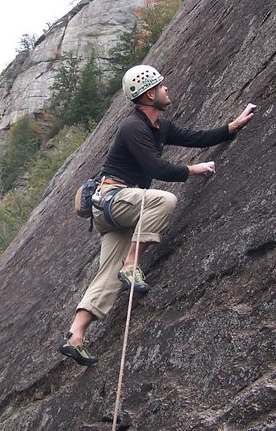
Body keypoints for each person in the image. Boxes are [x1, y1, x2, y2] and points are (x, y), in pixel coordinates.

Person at [59, 64, 257, 366]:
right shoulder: (132, 127)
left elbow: (196, 137)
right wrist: (191, 170)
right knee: (164, 201)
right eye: (162, 86)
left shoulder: (160, 127)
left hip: (117, 208)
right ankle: (133, 264)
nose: (167, 90)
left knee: (107, 273)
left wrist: (232, 126)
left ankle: (75, 335)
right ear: (150, 93)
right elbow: (155, 167)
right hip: (115, 199)